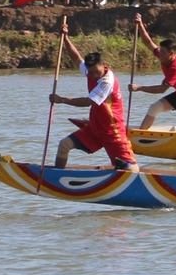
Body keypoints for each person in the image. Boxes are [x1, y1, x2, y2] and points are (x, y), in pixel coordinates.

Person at [51, 32, 138, 171]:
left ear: (103, 65)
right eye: (91, 73)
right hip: (95, 128)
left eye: (96, 72)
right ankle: (56, 177)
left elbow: (88, 102)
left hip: (112, 131)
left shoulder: (107, 82)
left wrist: (61, 99)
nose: (94, 76)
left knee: (132, 170)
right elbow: (77, 59)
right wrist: (66, 38)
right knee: (64, 145)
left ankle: (115, 171)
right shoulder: (91, 70)